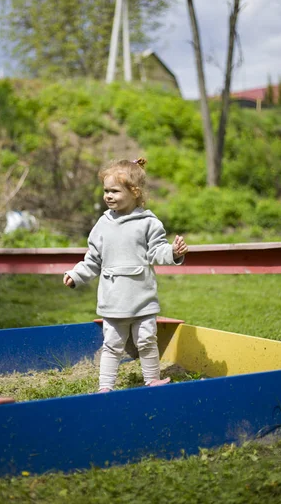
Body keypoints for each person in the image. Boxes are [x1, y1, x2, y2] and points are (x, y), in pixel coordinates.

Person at [63, 157, 188, 393]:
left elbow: (157, 251)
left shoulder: (149, 223)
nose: (108, 196)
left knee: (147, 340)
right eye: (106, 191)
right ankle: (105, 387)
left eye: (114, 191)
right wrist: (77, 274)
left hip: (142, 298)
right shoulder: (102, 225)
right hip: (113, 299)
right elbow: (92, 259)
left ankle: (152, 380)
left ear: (134, 192)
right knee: (112, 345)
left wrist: (172, 252)